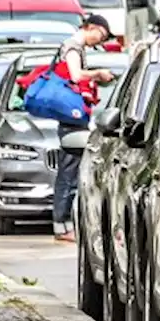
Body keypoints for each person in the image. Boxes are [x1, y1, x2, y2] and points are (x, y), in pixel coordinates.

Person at [53, 14, 117, 242]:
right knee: (69, 172)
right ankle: (61, 225)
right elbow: (75, 75)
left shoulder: (76, 48)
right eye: (100, 35)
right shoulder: (72, 47)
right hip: (72, 116)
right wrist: (98, 74)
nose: (99, 41)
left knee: (70, 171)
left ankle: (63, 223)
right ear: (92, 27)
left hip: (75, 114)